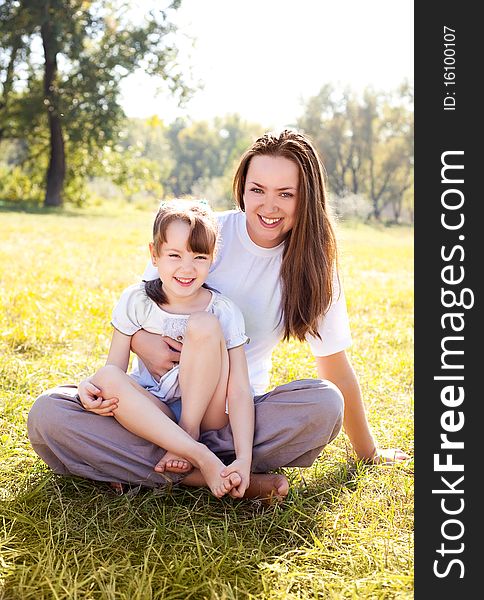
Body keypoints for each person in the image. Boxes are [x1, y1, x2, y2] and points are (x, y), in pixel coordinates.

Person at [27, 129, 407, 502]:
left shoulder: (313, 266)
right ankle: (208, 472)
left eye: (285, 194)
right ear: (242, 187)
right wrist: (144, 346)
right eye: (257, 189)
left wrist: (367, 452)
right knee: (49, 413)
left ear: (306, 197)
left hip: (231, 419)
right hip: (152, 407)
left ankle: (155, 464)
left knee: (324, 403)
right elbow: (141, 308)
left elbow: (334, 366)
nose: (268, 206)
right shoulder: (201, 234)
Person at [80, 201, 254, 498]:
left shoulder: (223, 311)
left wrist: (245, 460)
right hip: (154, 408)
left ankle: (186, 435)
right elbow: (114, 369)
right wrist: (90, 386)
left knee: (204, 325)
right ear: (154, 254)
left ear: (212, 259)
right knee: (106, 377)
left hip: (207, 415)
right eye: (174, 255)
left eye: (199, 257)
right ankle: (201, 458)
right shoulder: (136, 301)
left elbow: (238, 390)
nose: (187, 268)